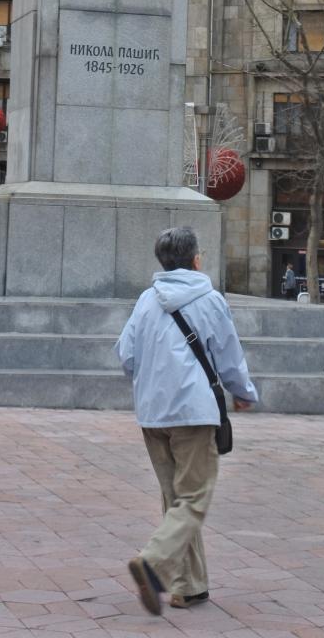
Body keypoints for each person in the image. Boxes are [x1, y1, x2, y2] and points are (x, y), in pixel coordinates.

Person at [115, 225, 258, 616]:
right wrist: (243, 392)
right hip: (193, 412)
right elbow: (229, 356)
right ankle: (152, 564)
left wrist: (153, 382)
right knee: (193, 498)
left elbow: (126, 355)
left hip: (152, 413)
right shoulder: (209, 300)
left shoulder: (147, 300)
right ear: (196, 259)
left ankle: (188, 587)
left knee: (176, 501)